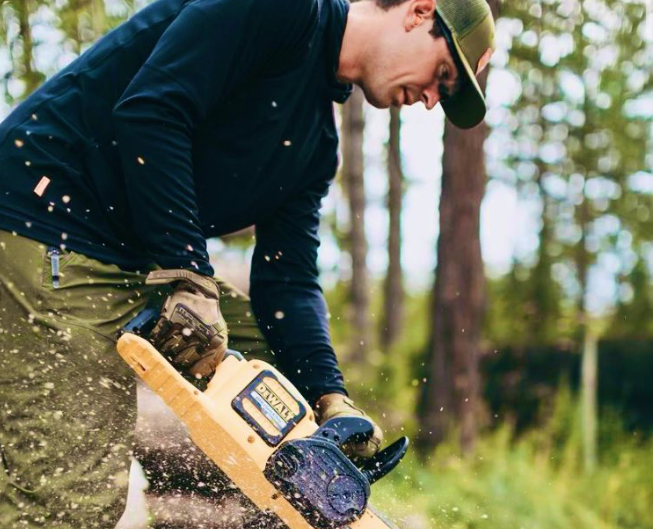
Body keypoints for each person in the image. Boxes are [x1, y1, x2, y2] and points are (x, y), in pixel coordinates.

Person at [0, 0, 495, 526]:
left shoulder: (315, 144)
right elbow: (151, 110)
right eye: (442, 76)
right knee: (65, 500)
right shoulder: (279, 11)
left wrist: (330, 397)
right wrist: (189, 274)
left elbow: (289, 280)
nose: (429, 101)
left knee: (286, 375)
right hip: (46, 217)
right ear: (418, 12)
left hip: (131, 255)